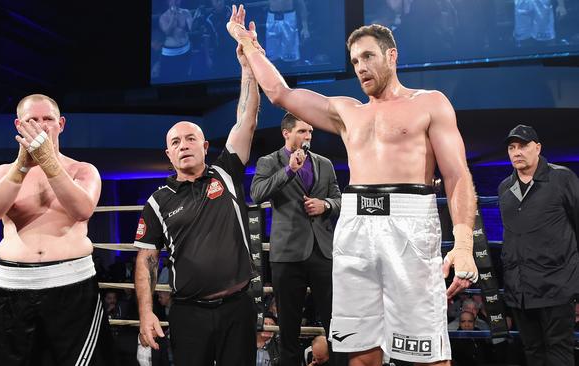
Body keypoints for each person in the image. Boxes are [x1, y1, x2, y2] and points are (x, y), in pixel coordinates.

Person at [227, 6, 478, 365]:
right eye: (354, 60)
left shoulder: (429, 103)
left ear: (392, 55)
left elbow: (457, 176)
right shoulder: (347, 111)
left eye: (367, 56)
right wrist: (249, 46)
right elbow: (280, 93)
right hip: (355, 230)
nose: (360, 66)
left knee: (428, 357)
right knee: (359, 354)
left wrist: (465, 243)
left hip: (410, 224)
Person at [133, 37, 262, 366]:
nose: (184, 145)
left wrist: (247, 66)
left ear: (205, 146)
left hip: (238, 306)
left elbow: (246, 118)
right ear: (169, 154)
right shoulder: (158, 201)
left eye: (191, 138)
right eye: (176, 141)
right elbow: (146, 260)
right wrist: (146, 312)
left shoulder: (226, 171)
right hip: (188, 313)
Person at [0, 94, 113, 365]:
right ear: (18, 125)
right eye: (32, 120)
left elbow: (82, 209)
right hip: (14, 287)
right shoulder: (0, 173)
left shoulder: (83, 171)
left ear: (61, 123)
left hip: (71, 286)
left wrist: (48, 162)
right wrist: (21, 167)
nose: (41, 126)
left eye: (47, 119)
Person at [250, 112, 341, 365]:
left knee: (336, 323)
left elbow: (339, 199)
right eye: (302, 131)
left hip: (322, 251)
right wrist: (289, 170)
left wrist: (326, 205)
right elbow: (257, 194)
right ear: (286, 133)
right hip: (288, 254)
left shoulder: (324, 163)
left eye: (310, 131)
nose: (308, 136)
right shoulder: (269, 162)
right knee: (288, 328)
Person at [498, 124, 579, 366]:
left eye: (522, 146)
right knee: (532, 351)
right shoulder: (505, 188)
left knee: (558, 351)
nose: (516, 152)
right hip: (520, 290)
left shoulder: (562, 178)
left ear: (538, 147)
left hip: (556, 287)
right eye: (512, 147)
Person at [158, 0, 194, 80]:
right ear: (168, 2)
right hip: (170, 54)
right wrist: (173, 16)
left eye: (177, 0)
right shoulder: (164, 17)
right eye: (172, 0)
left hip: (185, 50)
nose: (175, 2)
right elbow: (167, 32)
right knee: (169, 78)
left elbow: (191, 29)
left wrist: (192, 20)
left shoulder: (186, 12)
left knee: (185, 77)